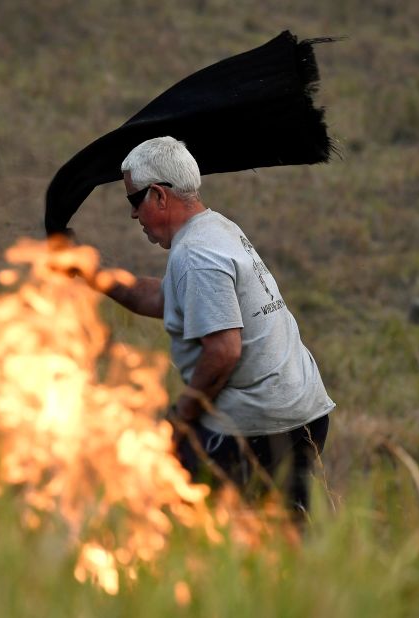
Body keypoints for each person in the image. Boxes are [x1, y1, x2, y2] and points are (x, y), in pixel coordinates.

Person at [82, 136, 334, 516]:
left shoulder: (196, 254)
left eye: (135, 201)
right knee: (283, 537)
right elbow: (153, 298)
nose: (134, 215)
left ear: (159, 196)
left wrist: (182, 414)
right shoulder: (216, 229)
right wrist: (89, 270)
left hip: (261, 425)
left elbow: (223, 350)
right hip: (303, 411)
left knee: (170, 498)